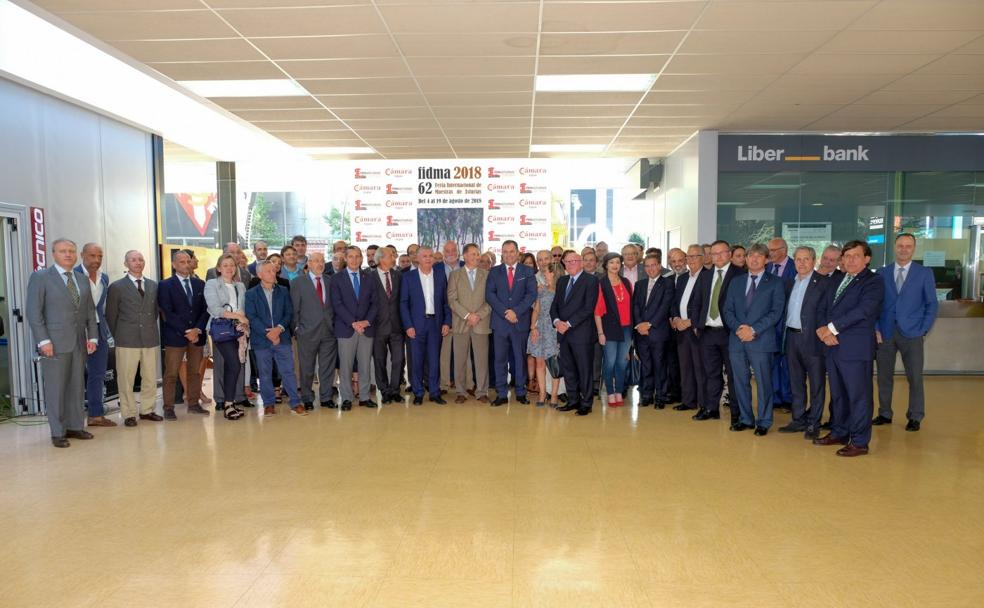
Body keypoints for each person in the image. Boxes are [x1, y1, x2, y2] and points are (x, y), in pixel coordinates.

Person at [26, 239, 99, 447]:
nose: (68, 254)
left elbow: (89, 311)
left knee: (77, 385)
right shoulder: (41, 277)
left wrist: (92, 336)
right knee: (56, 388)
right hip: (53, 343)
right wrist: (43, 340)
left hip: (78, 342)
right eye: (63, 251)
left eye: (71, 251)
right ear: (53, 253)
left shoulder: (81, 279)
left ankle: (75, 426)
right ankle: (58, 432)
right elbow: (34, 311)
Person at [814, 240, 885, 457]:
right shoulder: (839, 280)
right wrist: (821, 330)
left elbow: (863, 310)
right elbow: (823, 307)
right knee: (838, 396)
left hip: (855, 349)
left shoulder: (873, 282)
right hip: (833, 347)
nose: (850, 260)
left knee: (858, 396)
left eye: (856, 256)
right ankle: (840, 432)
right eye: (847, 256)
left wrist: (831, 329)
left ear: (867, 259)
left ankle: (860, 441)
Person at [874, 233, 938, 432]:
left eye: (908, 246)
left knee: (915, 377)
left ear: (913, 249)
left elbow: (932, 304)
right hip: (885, 332)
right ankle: (884, 413)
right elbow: (875, 304)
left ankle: (915, 416)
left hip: (912, 333)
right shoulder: (882, 273)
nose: (903, 249)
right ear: (895, 247)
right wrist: (876, 328)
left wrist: (923, 329)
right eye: (900, 245)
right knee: (884, 376)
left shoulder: (924, 273)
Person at [723, 243, 785, 435]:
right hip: (737, 339)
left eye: (759, 256)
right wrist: (739, 328)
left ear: (766, 260)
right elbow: (727, 310)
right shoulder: (736, 281)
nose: (754, 259)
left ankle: (764, 421)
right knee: (740, 381)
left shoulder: (775, 282)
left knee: (764, 382)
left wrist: (754, 330)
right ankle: (745, 418)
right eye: (750, 256)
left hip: (761, 340)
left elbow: (776, 312)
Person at [690, 240, 746, 423]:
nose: (718, 257)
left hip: (730, 333)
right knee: (710, 373)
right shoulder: (705, 276)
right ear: (710, 256)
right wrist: (697, 325)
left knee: (733, 374)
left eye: (722, 253)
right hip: (707, 332)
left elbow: (744, 306)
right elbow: (696, 302)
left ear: (729, 254)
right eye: (714, 254)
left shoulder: (740, 274)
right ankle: (710, 408)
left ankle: (737, 414)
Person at [778, 246, 830, 438]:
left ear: (813, 261)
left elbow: (827, 312)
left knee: (816, 384)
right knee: (796, 382)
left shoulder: (823, 283)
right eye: (798, 259)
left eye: (806, 259)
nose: (801, 263)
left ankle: (813, 423)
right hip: (791, 338)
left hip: (814, 340)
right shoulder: (790, 283)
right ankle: (798, 419)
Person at [105, 250, 161, 427]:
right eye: (133, 260)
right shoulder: (117, 287)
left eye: (140, 260)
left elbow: (154, 313)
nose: (138, 263)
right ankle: (128, 413)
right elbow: (111, 315)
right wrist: (119, 335)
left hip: (150, 338)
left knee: (150, 377)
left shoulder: (152, 285)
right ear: (126, 263)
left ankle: (147, 410)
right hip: (127, 339)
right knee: (126, 378)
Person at [247, 260, 304, 416]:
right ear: (259, 275)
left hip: (282, 338)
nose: (273, 274)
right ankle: (269, 404)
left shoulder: (284, 290)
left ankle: (295, 402)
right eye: (268, 271)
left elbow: (289, 313)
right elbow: (251, 317)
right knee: (264, 374)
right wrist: (268, 333)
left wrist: (279, 329)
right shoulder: (251, 294)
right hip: (261, 340)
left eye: (274, 271)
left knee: (288, 372)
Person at [158, 251, 209, 420]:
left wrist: (197, 330)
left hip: (197, 336)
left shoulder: (199, 284)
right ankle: (168, 407)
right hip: (176, 336)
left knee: (195, 372)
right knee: (171, 374)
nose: (186, 264)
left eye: (188, 261)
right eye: (181, 262)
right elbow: (167, 312)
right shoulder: (165, 285)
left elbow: (205, 310)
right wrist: (187, 331)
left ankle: (194, 404)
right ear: (174, 265)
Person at [486, 240, 538, 406]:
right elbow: (490, 295)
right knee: (499, 359)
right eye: (505, 251)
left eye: (511, 251)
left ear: (517, 253)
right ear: (502, 253)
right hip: (500, 323)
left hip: (519, 322)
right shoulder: (494, 272)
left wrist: (516, 311)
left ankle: (521, 392)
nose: (508, 254)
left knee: (519, 358)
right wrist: (505, 312)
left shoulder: (527, 271)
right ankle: (501, 393)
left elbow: (531, 295)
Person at [400, 246, 451, 405]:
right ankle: (418, 392)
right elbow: (403, 303)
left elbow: (445, 302)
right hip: (416, 325)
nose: (428, 259)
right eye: (425, 256)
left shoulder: (441, 276)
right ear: (418, 259)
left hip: (435, 324)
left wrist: (447, 322)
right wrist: (408, 325)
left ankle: (434, 392)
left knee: (434, 360)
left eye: (431, 256)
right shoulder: (409, 277)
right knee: (416, 361)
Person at [551, 250, 599, 416]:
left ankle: (586, 403)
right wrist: (557, 322)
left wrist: (568, 324)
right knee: (568, 369)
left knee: (584, 369)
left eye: (574, 261)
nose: (570, 264)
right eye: (567, 261)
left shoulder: (591, 280)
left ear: (581, 262)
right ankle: (572, 400)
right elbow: (555, 305)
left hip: (581, 333)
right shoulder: (562, 281)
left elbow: (588, 308)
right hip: (563, 334)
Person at [330, 246, 378, 410]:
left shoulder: (369, 277)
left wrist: (366, 322)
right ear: (345, 258)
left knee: (365, 365)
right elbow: (337, 304)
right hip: (346, 329)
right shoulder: (336, 279)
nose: (354, 260)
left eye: (358, 256)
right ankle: (347, 399)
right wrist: (353, 322)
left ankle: (364, 397)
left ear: (362, 258)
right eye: (351, 256)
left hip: (366, 329)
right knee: (346, 366)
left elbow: (374, 303)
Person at [205, 254, 250, 420]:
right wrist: (238, 316)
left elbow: (243, 307)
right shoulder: (212, 284)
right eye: (225, 265)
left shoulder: (240, 286)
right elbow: (215, 308)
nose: (229, 268)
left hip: (238, 330)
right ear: (218, 268)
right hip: (221, 328)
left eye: (232, 265)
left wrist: (242, 319)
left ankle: (230, 403)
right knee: (233, 363)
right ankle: (227, 403)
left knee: (234, 365)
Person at [74, 242, 115, 427]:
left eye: (100, 256)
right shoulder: (72, 276)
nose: (96, 260)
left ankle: (95, 415)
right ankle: (72, 419)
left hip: (99, 330)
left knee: (97, 373)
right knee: (74, 374)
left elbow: (100, 307)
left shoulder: (104, 278)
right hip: (76, 331)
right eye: (92, 255)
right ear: (82, 255)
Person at [291, 252, 338, 410]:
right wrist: (297, 328)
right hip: (307, 332)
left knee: (327, 367)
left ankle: (325, 398)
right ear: (308, 264)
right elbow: (294, 308)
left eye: (322, 261)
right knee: (307, 367)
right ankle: (307, 397)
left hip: (328, 332)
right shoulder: (298, 282)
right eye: (316, 261)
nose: (320, 264)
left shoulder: (330, 281)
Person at [447, 243, 491, 404]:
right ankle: (461, 391)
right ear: (464, 256)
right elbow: (452, 299)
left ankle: (481, 391)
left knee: (481, 360)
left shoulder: (486, 275)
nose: (477, 257)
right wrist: (467, 315)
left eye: (478, 254)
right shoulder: (455, 275)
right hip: (461, 323)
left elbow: (490, 299)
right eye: (473, 254)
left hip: (481, 323)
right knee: (460, 359)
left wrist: (478, 315)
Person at [633, 253, 675, 408]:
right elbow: (635, 306)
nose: (650, 268)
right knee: (645, 365)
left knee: (659, 365)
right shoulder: (640, 284)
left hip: (658, 331)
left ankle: (660, 397)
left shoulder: (668, 284)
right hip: (641, 332)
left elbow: (665, 307)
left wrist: (649, 324)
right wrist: (639, 324)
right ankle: (646, 395)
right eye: (647, 266)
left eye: (653, 265)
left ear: (659, 266)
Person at [595, 252, 633, 407]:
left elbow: (632, 306)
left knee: (622, 363)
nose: (615, 265)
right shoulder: (601, 283)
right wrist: (600, 333)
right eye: (611, 262)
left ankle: (619, 392)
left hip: (627, 328)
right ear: (606, 265)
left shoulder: (626, 282)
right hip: (609, 329)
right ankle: (610, 392)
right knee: (609, 362)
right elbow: (597, 311)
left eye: (617, 262)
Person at [367, 246, 404, 404]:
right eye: (391, 255)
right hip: (377, 327)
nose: (394, 258)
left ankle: (395, 390)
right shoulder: (369, 276)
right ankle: (385, 390)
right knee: (379, 361)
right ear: (381, 258)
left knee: (398, 360)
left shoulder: (398, 275)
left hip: (397, 326)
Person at [670, 246, 705, 413]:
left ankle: (704, 403)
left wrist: (691, 321)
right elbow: (675, 302)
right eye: (689, 257)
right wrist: (676, 318)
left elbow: (708, 306)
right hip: (681, 330)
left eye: (694, 256)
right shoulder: (683, 278)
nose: (691, 260)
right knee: (685, 367)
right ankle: (688, 400)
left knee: (700, 367)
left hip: (697, 330)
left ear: (703, 257)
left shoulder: (708, 276)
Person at [766, 237, 795, 412]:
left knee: (788, 364)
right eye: (769, 250)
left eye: (773, 250)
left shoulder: (795, 268)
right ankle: (775, 396)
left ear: (784, 250)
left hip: (787, 323)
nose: (770, 253)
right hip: (770, 324)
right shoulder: (768, 268)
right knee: (772, 361)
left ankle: (788, 398)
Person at [529, 261, 563, 407]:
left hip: (555, 330)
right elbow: (536, 310)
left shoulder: (563, 293)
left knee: (555, 363)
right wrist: (533, 327)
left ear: (555, 274)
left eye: (547, 272)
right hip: (540, 328)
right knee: (539, 361)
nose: (544, 275)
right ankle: (542, 393)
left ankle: (554, 395)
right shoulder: (541, 290)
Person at [434, 241, 463, 394]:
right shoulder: (435, 268)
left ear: (458, 251)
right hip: (443, 318)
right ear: (443, 252)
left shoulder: (466, 265)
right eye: (447, 250)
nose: (450, 252)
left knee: (464, 354)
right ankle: (444, 384)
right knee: (444, 354)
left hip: (464, 317)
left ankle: (464, 385)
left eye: (453, 250)